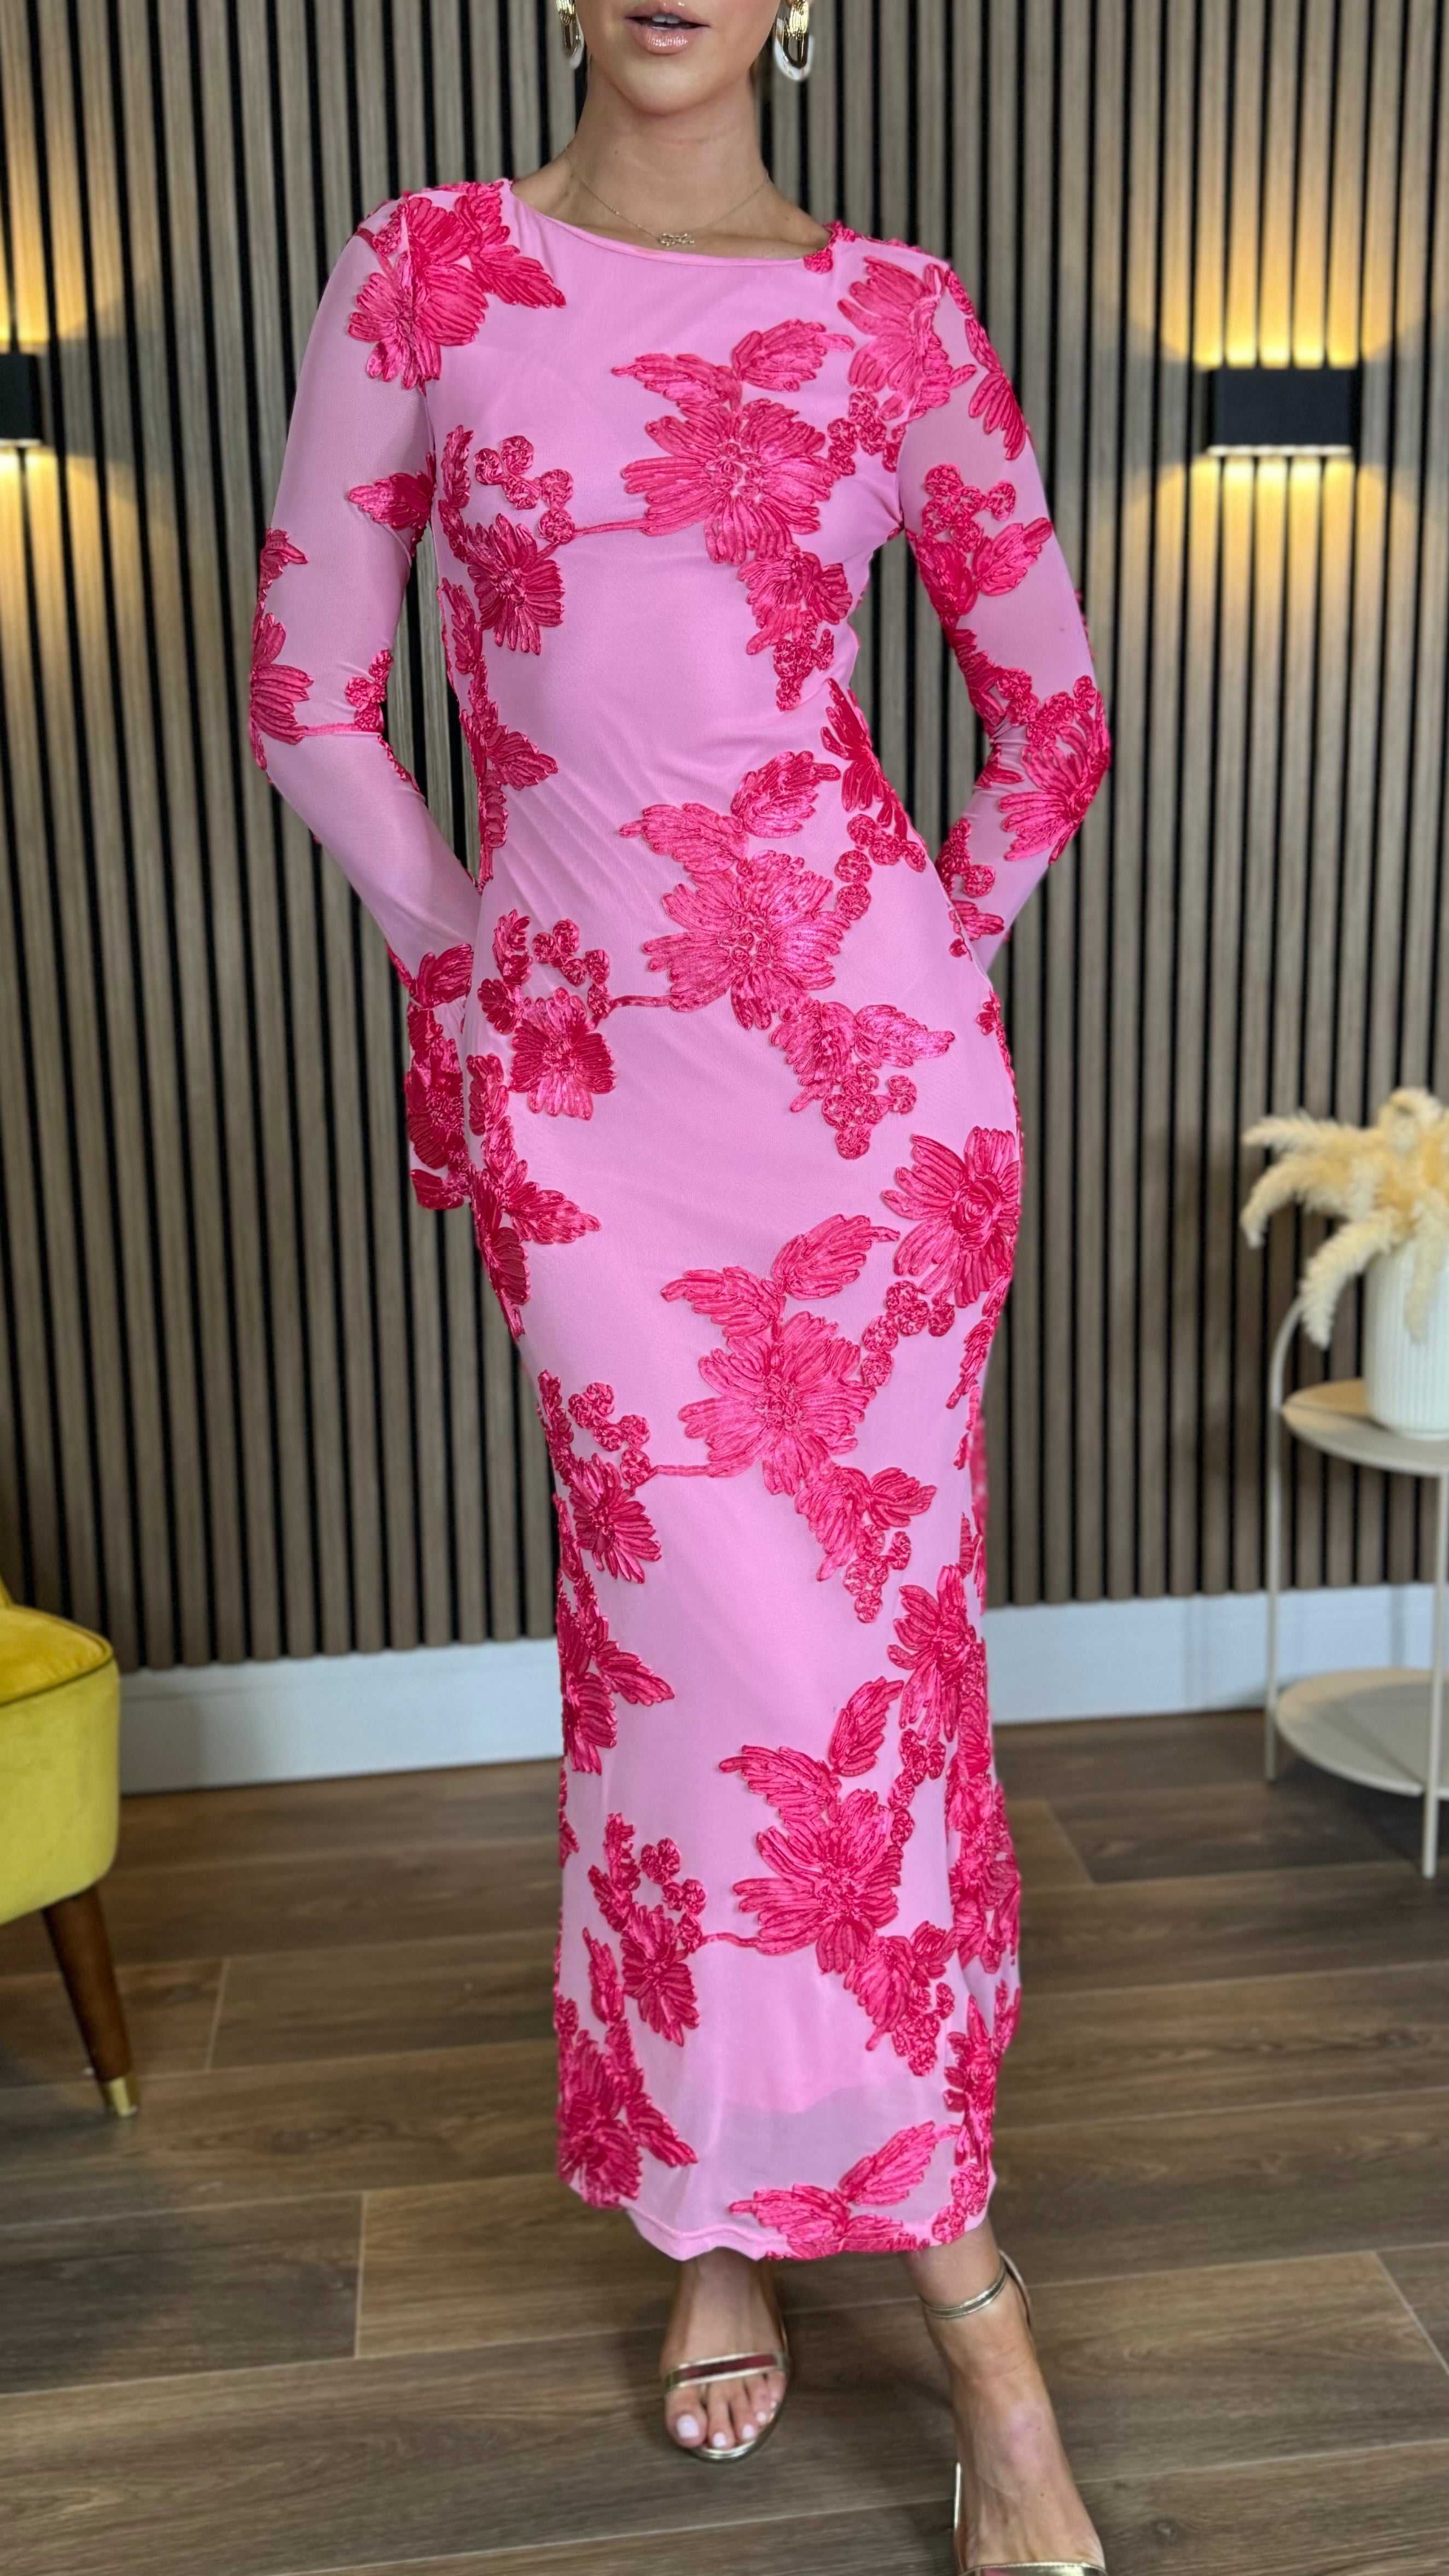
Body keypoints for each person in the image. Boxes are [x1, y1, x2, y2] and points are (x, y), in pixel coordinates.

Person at [253, 4, 1110, 2567]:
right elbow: (311, 697)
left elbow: (1051, 713)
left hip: (870, 1125)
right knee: (703, 1680)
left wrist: (925, 972)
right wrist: (478, 970)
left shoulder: (896, 313)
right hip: (594, 1117)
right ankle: (799, 2241)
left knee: (864, 1695)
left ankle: (896, 2287)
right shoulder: (428, 273)